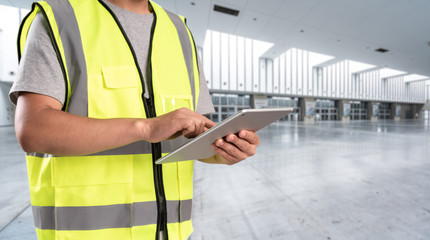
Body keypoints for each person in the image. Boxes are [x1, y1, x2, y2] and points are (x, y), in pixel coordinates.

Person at [9, 0, 260, 239]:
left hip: (172, 232)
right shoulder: (60, 19)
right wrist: (146, 127)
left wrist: (221, 150)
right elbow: (33, 130)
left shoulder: (180, 32)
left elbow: (192, 133)